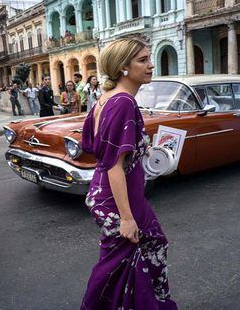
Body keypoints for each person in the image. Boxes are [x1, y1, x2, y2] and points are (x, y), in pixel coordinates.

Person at [80, 38, 178, 309]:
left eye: (149, 58)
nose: (150, 65)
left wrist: (145, 152)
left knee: (126, 260)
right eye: (142, 60)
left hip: (107, 194)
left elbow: (102, 150)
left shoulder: (106, 99)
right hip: (120, 200)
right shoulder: (123, 102)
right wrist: (126, 217)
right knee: (142, 252)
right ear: (123, 67)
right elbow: (112, 163)